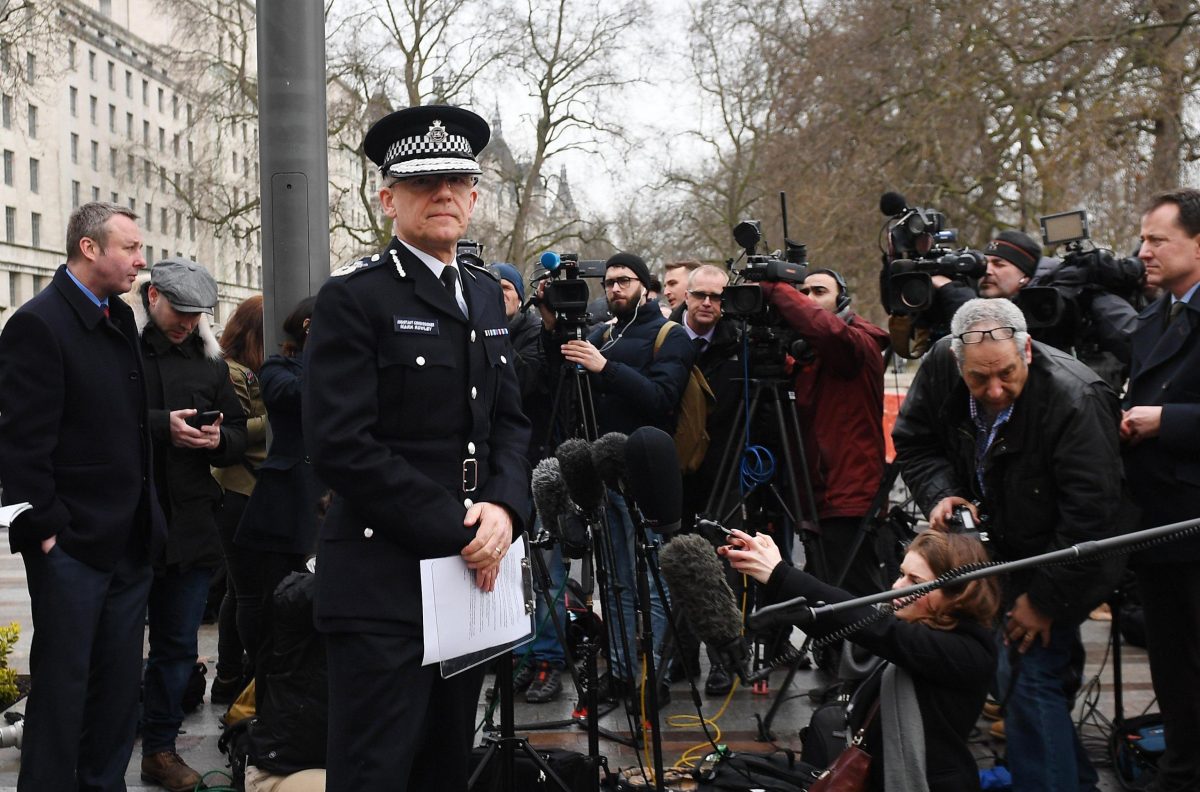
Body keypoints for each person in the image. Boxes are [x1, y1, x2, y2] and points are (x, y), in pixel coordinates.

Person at [303, 104, 531, 792]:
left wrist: (505, 508)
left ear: (474, 198)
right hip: (384, 582)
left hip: (469, 579)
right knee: (373, 773)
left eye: (458, 181)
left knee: (444, 769)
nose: (443, 194)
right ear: (388, 199)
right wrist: (462, 528)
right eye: (424, 182)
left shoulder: (484, 295)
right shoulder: (355, 297)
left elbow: (510, 422)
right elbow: (341, 444)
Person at [892, 297, 1130, 792]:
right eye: (979, 379)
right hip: (992, 550)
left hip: (1063, 559)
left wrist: (1043, 602)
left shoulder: (1076, 398)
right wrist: (941, 493)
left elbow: (1093, 518)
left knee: (1031, 678)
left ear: (1027, 350)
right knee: (1018, 678)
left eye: (1006, 374)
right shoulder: (941, 364)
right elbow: (915, 442)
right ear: (957, 360)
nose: (995, 390)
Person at [0, 202, 165, 791]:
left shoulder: (119, 315)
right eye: (130, 248)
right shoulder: (37, 324)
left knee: (118, 690)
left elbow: (111, 417)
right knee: (62, 690)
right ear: (89, 249)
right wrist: (48, 532)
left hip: (128, 540)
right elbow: (20, 443)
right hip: (71, 547)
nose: (141, 261)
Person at [721, 528, 1000, 792]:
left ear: (958, 596)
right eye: (901, 574)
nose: (898, 587)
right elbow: (844, 626)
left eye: (915, 582)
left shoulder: (968, 652)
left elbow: (872, 627)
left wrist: (780, 574)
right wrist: (768, 573)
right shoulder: (913, 625)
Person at [539, 251, 694, 701]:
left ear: (645, 286)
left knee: (653, 580)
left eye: (624, 281)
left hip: (648, 477)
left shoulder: (669, 336)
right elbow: (557, 374)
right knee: (616, 580)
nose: (615, 289)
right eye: (608, 282)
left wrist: (605, 367)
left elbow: (661, 399)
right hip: (602, 475)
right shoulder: (602, 334)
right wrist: (551, 323)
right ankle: (624, 672)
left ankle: (654, 676)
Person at [136, 257, 249, 792]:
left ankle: (159, 749)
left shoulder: (210, 363)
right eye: (179, 311)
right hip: (130, 521)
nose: (187, 323)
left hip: (190, 523)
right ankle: (104, 741)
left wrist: (217, 440)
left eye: (196, 314)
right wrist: (163, 427)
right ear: (152, 296)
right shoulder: (124, 349)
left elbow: (237, 432)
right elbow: (97, 418)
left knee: (178, 646)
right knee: (113, 647)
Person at [1120, 188, 1200, 792]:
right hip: (1156, 525)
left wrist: (1165, 421)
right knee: (1172, 668)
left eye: (1158, 240)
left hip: (1193, 522)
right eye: (1143, 238)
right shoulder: (1154, 316)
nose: (1143, 251)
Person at [760, 269, 890, 597]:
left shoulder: (858, 342)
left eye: (819, 291)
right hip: (816, 496)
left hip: (848, 497)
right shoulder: (806, 357)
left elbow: (830, 333)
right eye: (803, 292)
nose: (808, 298)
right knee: (825, 595)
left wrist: (775, 290)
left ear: (842, 301)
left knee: (856, 600)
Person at [666, 264, 745, 695]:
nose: (708, 303)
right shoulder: (666, 338)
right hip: (677, 470)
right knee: (679, 561)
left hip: (725, 471)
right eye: (700, 295)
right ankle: (680, 655)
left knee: (723, 566)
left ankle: (723, 659)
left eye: (717, 297)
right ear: (686, 297)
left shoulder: (739, 343)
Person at [234, 297, 322, 677]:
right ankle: (265, 683)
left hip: (326, 502)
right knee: (272, 603)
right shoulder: (277, 367)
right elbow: (297, 397)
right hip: (284, 508)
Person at [211, 295, 268, 704]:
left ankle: (229, 675)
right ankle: (241, 677)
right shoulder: (231, 372)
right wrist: (277, 414)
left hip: (247, 489)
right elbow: (235, 430)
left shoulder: (252, 370)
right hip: (237, 490)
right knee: (247, 592)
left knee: (239, 589)